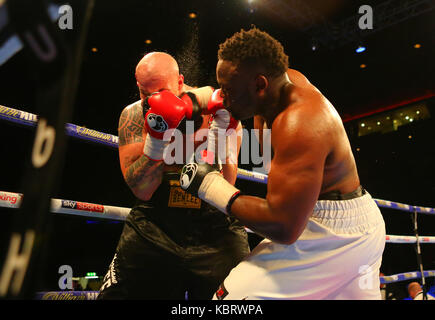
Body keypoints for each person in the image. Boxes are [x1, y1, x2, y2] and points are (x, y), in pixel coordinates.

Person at [179, 27, 386, 299]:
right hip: (352, 224)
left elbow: (284, 227)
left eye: (228, 90)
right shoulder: (280, 86)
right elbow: (268, 154)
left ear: (260, 85)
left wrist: (209, 186)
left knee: (230, 299)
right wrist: (206, 100)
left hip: (327, 233)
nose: (223, 96)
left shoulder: (300, 123)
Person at [97, 52, 250, 299]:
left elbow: (228, 183)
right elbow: (141, 190)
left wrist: (220, 134)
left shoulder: (216, 108)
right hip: (154, 224)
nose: (152, 100)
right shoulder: (133, 116)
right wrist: (157, 142)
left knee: (238, 301)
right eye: (145, 93)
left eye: (160, 91)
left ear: (180, 82)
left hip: (213, 227)